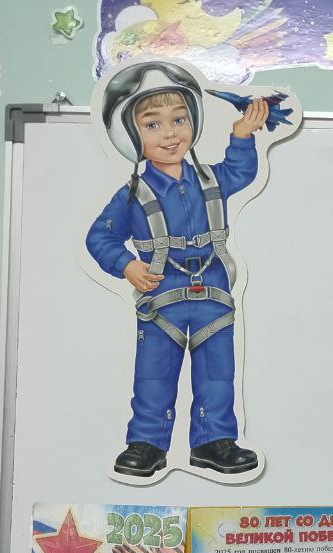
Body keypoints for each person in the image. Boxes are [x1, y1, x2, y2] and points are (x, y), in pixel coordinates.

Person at [86, 60, 269, 479]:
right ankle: (147, 443)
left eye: (179, 120)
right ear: (131, 136)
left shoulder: (213, 180)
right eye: (152, 125)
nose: (169, 134)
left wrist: (242, 136)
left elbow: (242, 171)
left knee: (217, 373)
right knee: (154, 373)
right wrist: (127, 265)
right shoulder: (130, 196)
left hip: (213, 293)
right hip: (160, 295)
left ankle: (213, 441)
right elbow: (100, 238)